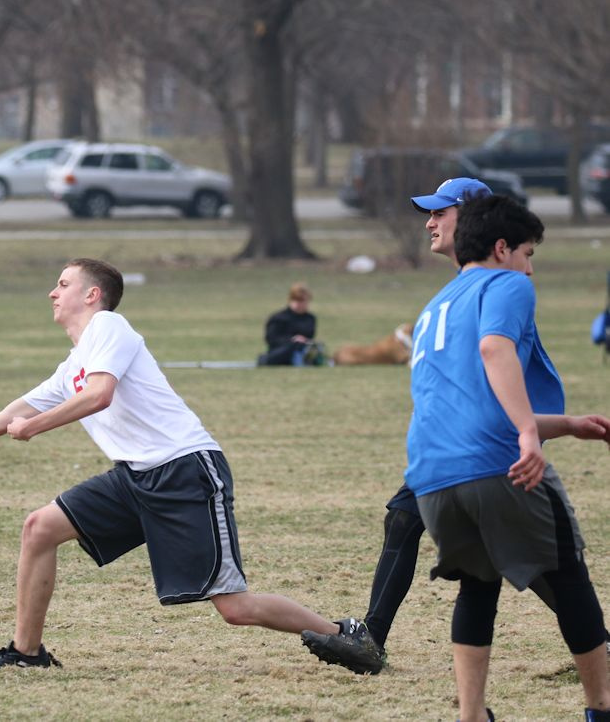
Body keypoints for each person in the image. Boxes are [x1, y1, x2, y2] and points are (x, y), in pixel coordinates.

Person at [0, 258, 376, 671]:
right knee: (39, 528)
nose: (52, 292)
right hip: (135, 476)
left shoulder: (109, 327)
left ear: (92, 295)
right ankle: (27, 653)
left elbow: (100, 395)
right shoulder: (72, 366)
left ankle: (343, 633)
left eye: (63, 284)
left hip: (184, 470)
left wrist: (35, 427)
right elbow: (2, 418)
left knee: (234, 608)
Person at [302, 178, 610, 676]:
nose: (430, 223)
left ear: (471, 218)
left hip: (493, 443)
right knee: (423, 527)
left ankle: (595, 650)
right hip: (460, 444)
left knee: (530, 559)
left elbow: (496, 357)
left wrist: (534, 429)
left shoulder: (502, 285)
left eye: (439, 212)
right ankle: (376, 639)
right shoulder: (453, 295)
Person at [412, 196, 609, 721]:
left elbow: (471, 404)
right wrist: (527, 433)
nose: (529, 268)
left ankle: (472, 715)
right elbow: (494, 350)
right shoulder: (507, 284)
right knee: (568, 576)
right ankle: (602, 708)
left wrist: (566, 425)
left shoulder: (436, 306)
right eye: (527, 253)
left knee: (478, 585)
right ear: (502, 249)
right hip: (495, 465)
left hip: (432, 478)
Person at [258, 283, 318, 366]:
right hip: (282, 350)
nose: (300, 304)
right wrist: (292, 340)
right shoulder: (278, 318)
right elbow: (271, 339)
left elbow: (310, 337)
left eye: (303, 300)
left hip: (303, 350)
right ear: (290, 300)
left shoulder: (310, 318)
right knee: (292, 347)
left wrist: (305, 341)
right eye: (297, 300)